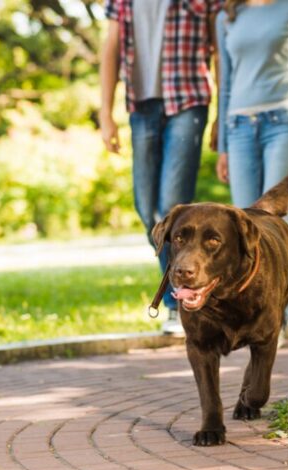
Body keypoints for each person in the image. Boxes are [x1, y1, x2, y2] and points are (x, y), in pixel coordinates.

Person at [214, 0, 288, 338]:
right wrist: (223, 146)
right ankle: (278, 293)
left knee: (274, 219)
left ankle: (276, 316)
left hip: (283, 122)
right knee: (243, 224)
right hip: (238, 128)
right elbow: (225, 84)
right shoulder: (227, 15)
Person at [100, 0, 222, 333]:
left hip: (189, 101)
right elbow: (110, 49)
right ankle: (185, 294)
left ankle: (178, 303)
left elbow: (219, 51)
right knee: (146, 210)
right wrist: (105, 112)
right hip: (141, 105)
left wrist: (221, 116)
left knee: (171, 207)